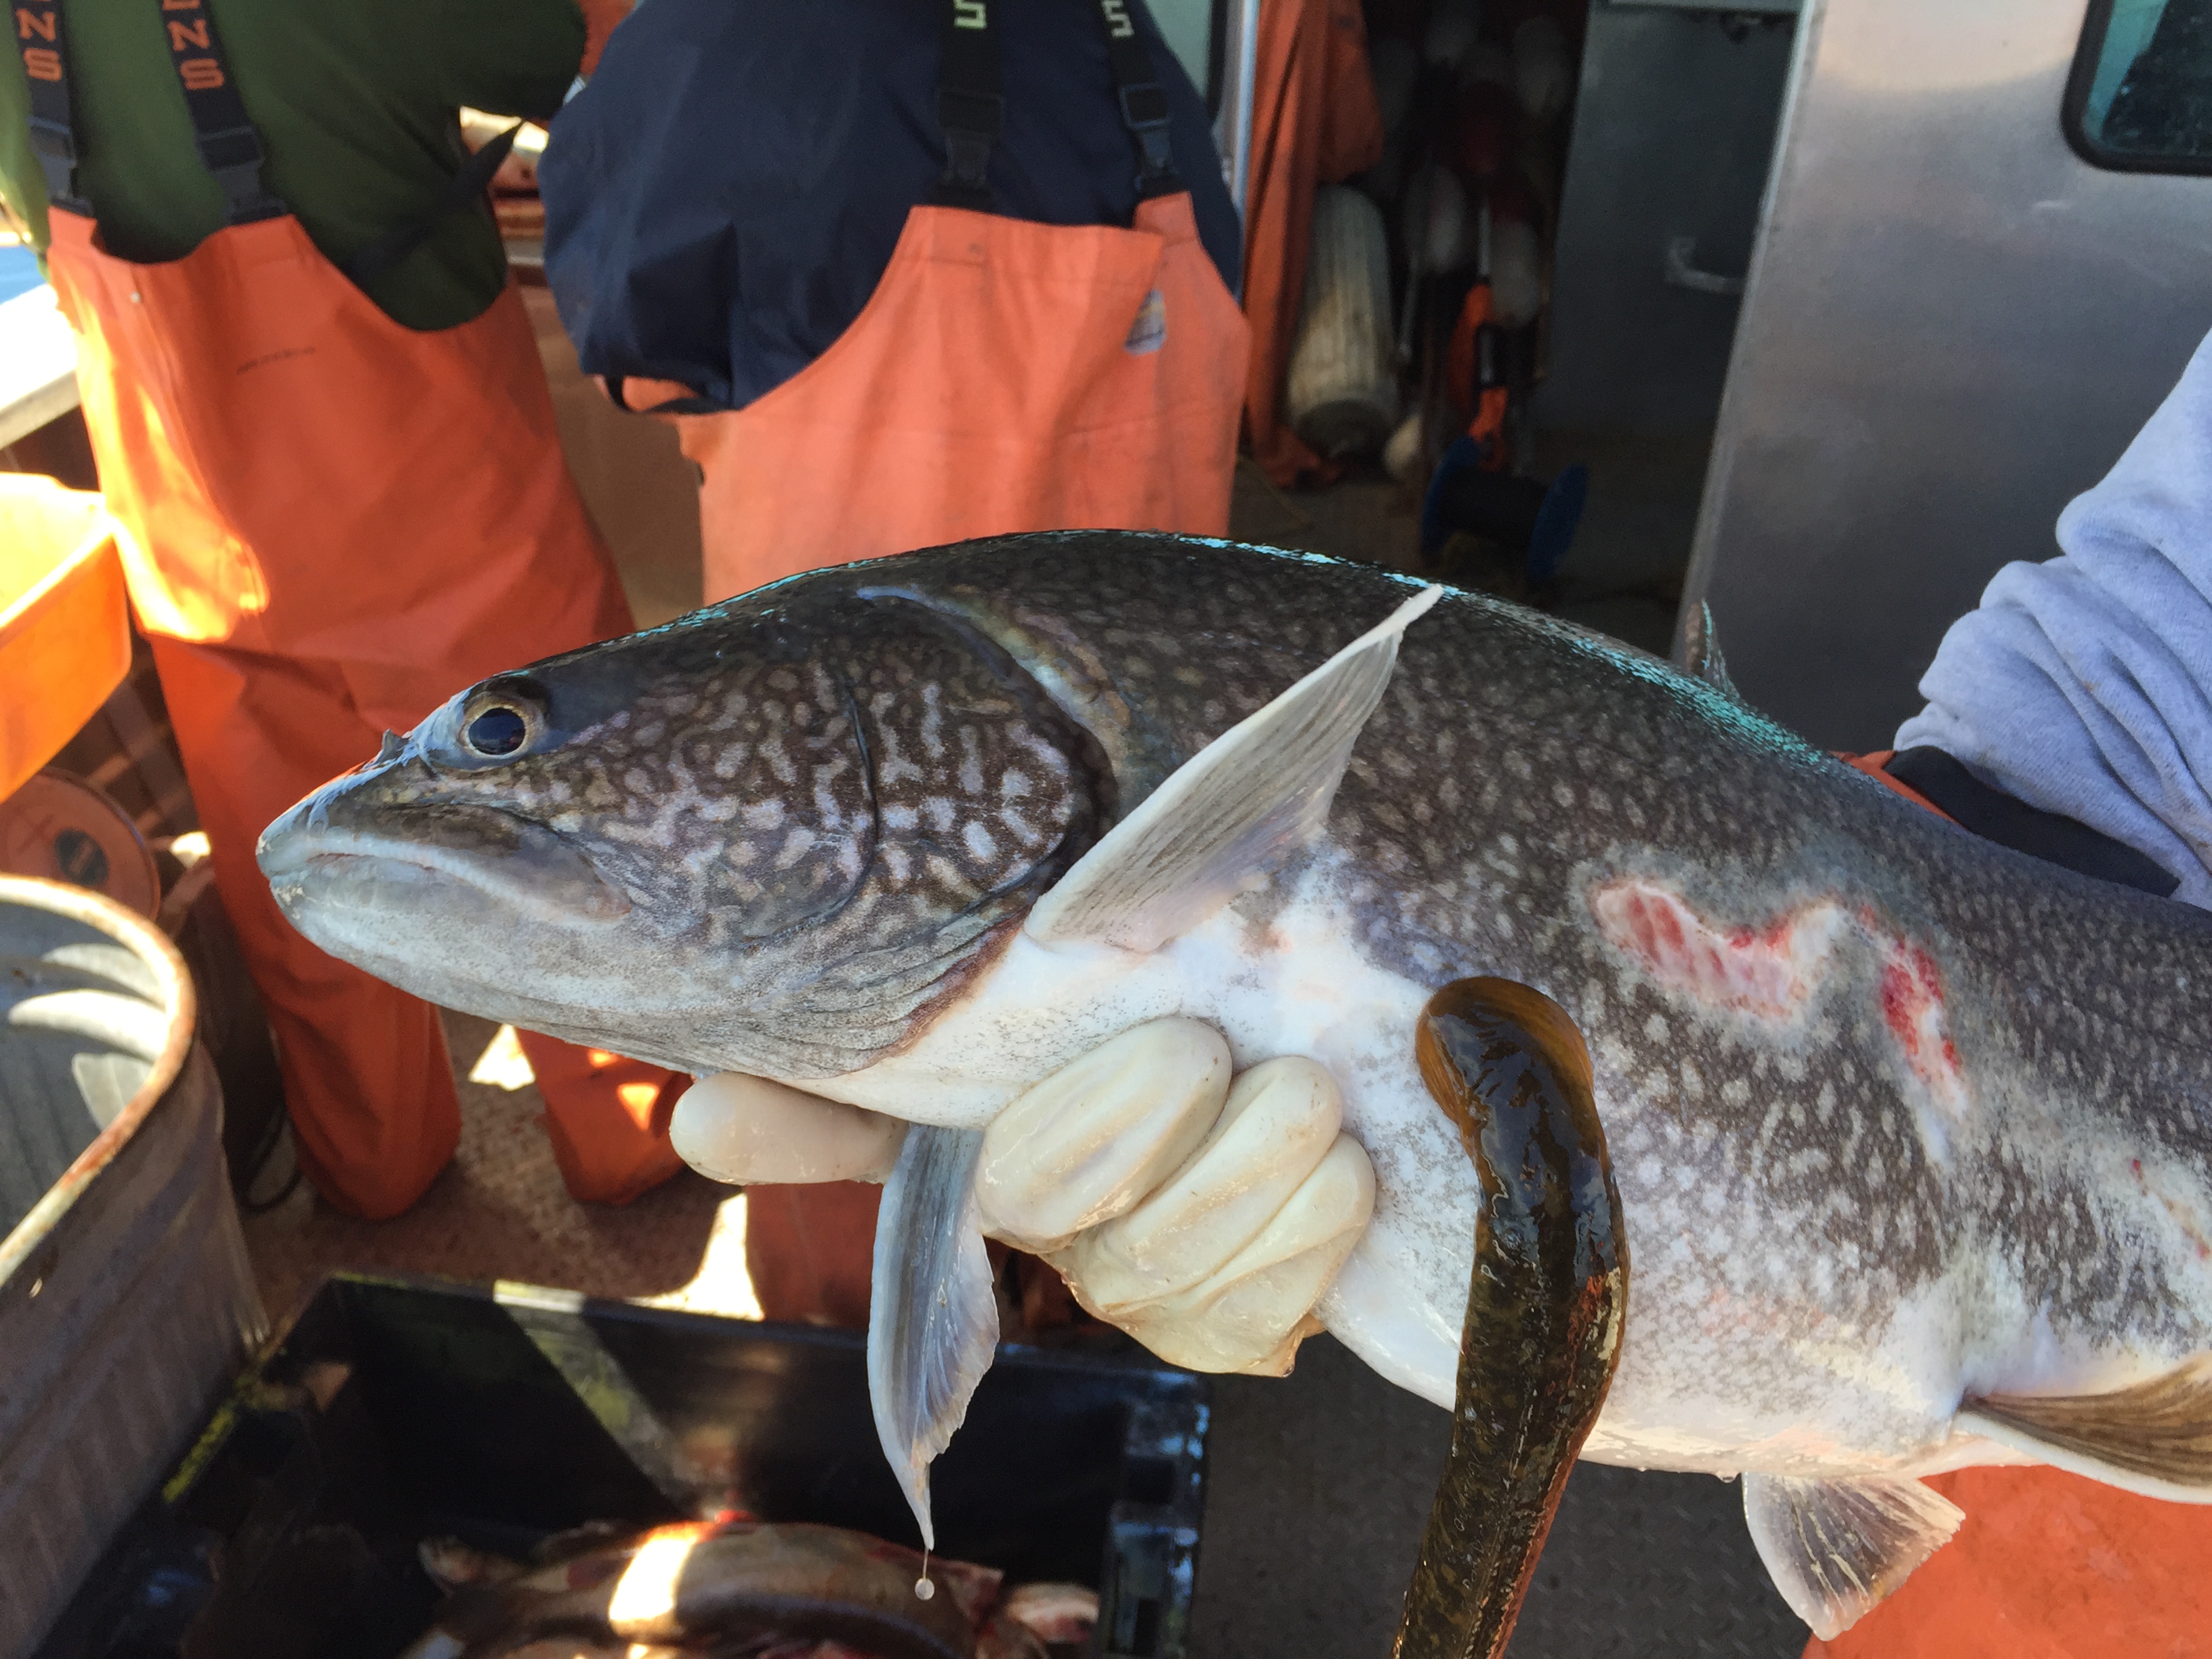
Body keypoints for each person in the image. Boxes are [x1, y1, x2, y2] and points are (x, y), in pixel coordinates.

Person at [1, 0, 687, 1219]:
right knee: (576, 845)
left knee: (304, 893)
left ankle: (376, 1171)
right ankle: (632, 1141)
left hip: (205, 550)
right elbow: (584, 37)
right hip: (451, 531)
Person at [536, 0, 1250, 606]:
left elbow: (629, 324)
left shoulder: (744, 31)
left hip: (844, 716)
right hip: (1144, 702)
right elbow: (1220, 266)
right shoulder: (1127, 40)